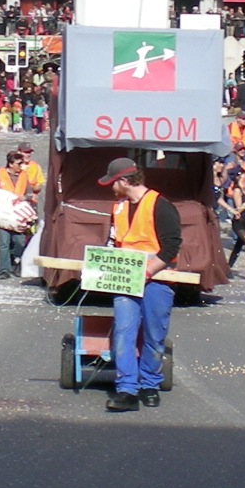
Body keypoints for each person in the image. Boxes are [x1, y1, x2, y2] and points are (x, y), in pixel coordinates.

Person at [98, 157, 181, 412]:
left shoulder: (160, 205)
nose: (111, 188)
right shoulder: (119, 208)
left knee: (154, 334)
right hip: (126, 280)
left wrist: (149, 271)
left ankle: (150, 384)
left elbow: (171, 246)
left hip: (157, 280)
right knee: (124, 331)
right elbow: (113, 243)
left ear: (124, 181)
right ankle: (127, 390)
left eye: (113, 183)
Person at [0, 149, 37, 278]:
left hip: (18, 215)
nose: (21, 166)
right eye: (19, 163)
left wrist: (25, 198)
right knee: (4, 243)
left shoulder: (24, 176)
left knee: (19, 242)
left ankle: (16, 261)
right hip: (3, 214)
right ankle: (4, 270)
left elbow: (30, 193)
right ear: (11, 164)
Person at [221, 165, 245, 283]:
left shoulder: (244, 190)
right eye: (242, 174)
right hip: (239, 223)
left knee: (238, 247)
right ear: (238, 177)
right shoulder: (237, 190)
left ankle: (227, 268)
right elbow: (239, 210)